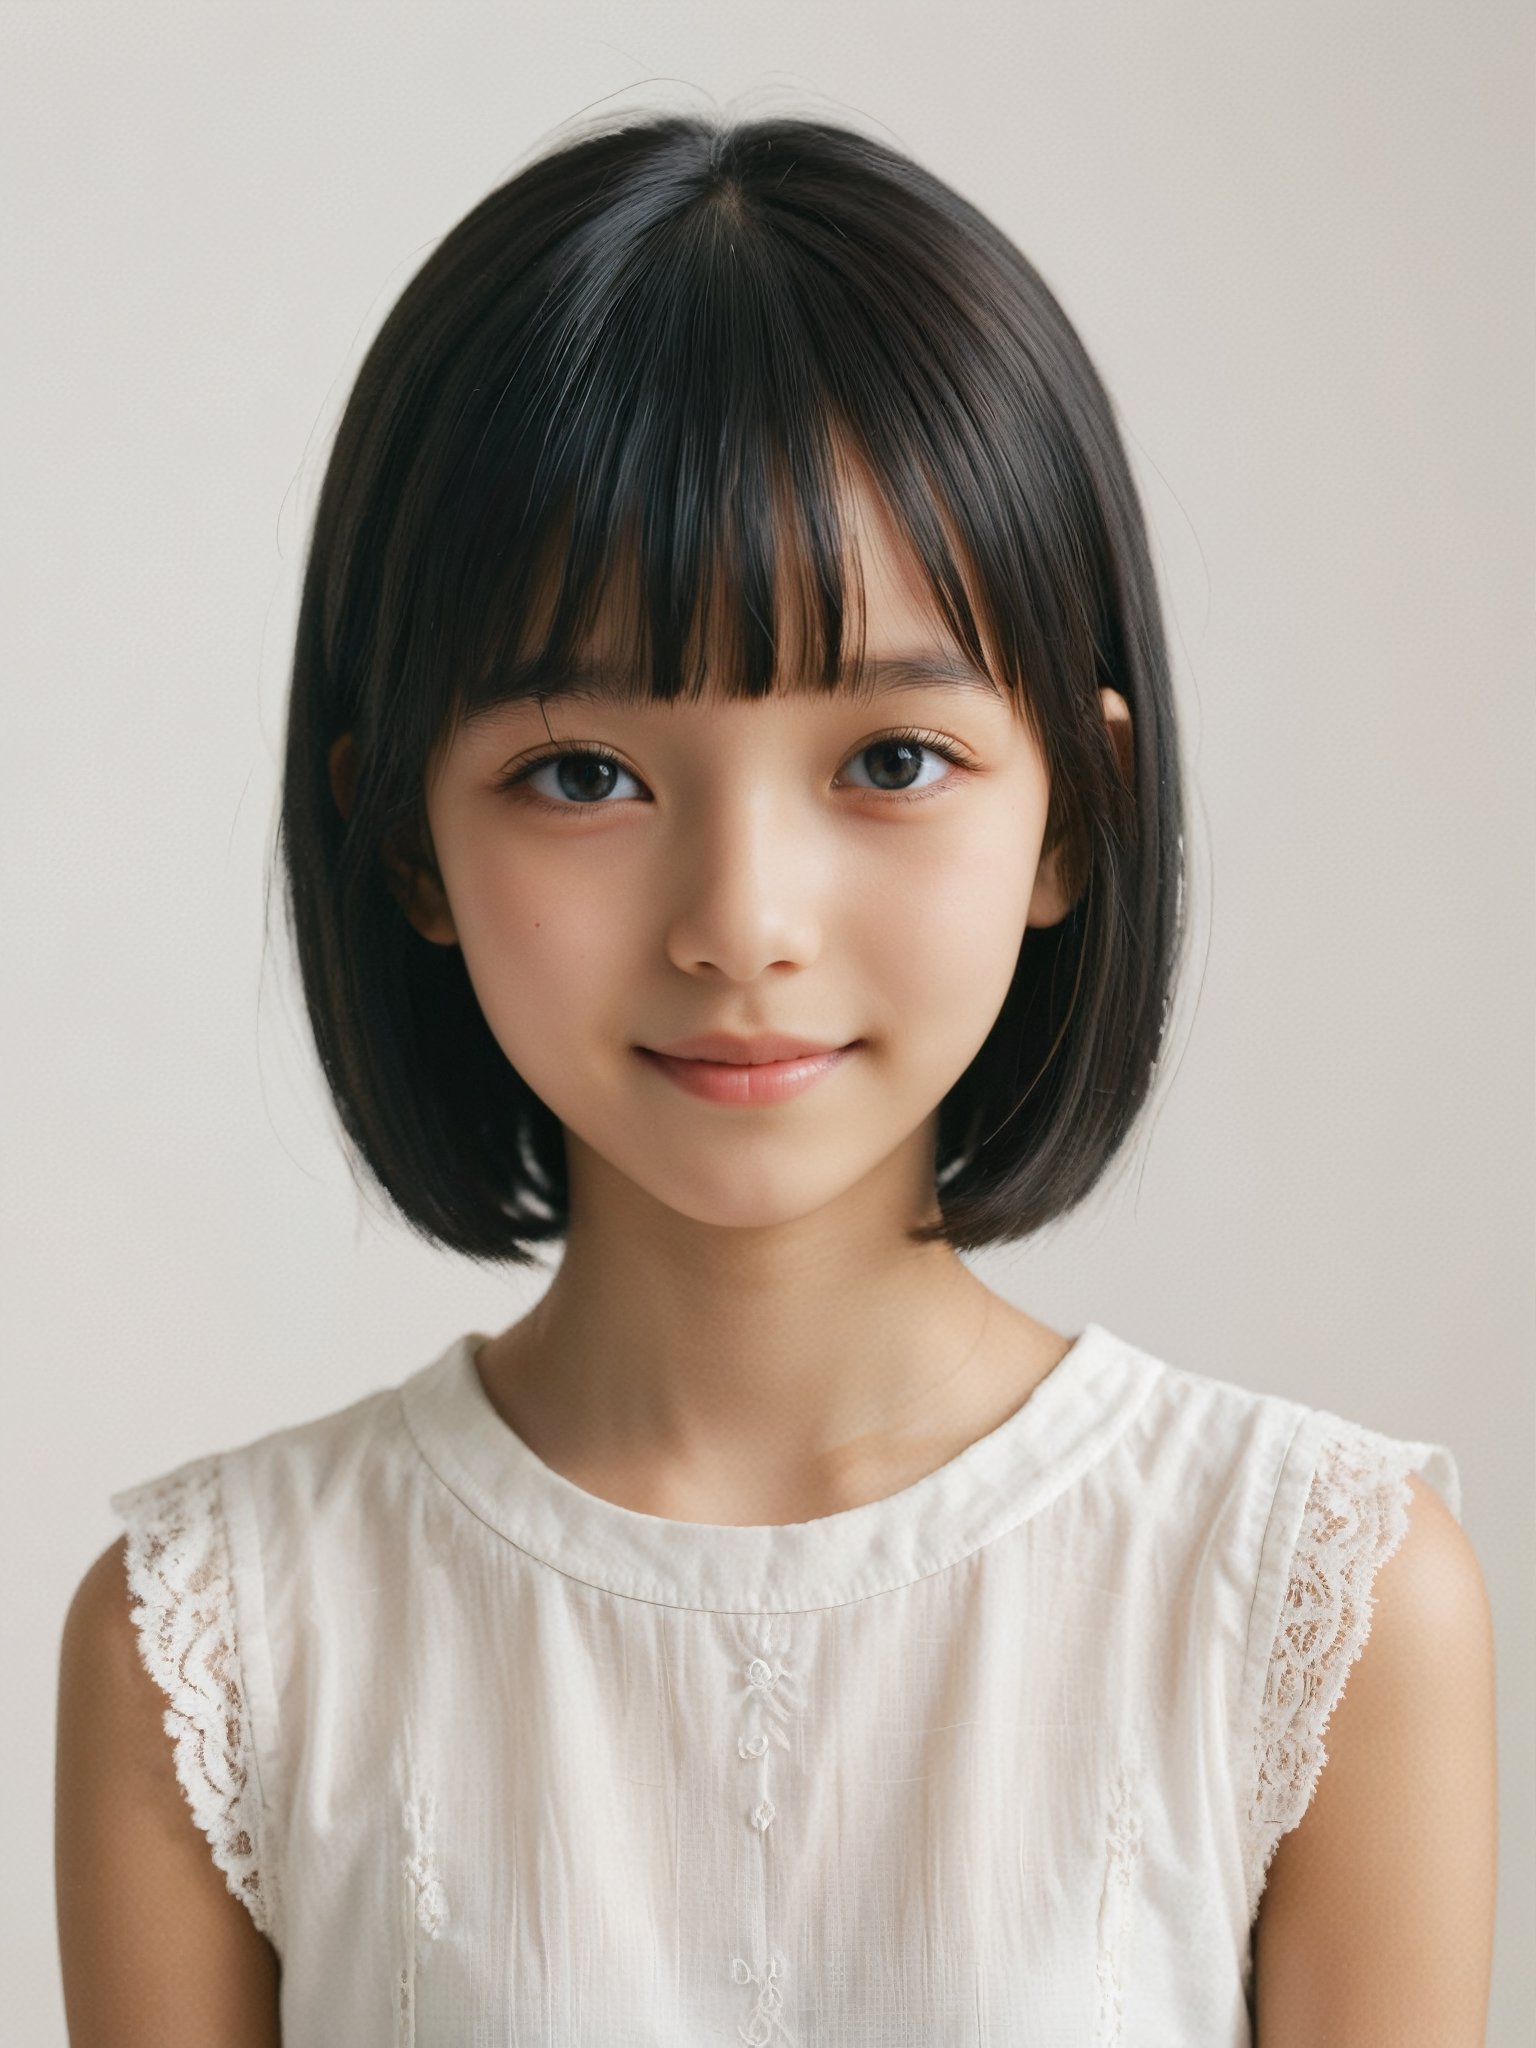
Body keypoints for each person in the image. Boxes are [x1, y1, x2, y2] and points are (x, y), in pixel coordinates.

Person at [54, 111, 1497, 2045]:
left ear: (1079, 811)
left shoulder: (1307, 1600)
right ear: (405, 842)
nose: (741, 923)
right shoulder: (217, 1642)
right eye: (584, 774)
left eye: (890, 759)